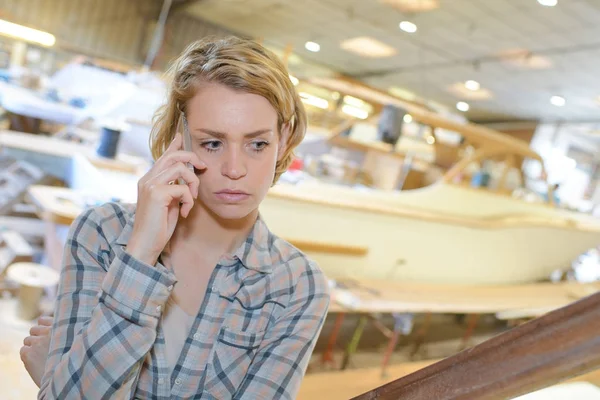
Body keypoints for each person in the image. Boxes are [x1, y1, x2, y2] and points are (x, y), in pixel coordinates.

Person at [20, 36, 330, 399]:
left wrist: (58, 379)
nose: (234, 169)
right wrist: (139, 255)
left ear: (284, 138)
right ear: (178, 136)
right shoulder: (102, 235)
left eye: (257, 144)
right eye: (212, 143)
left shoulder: (297, 287)